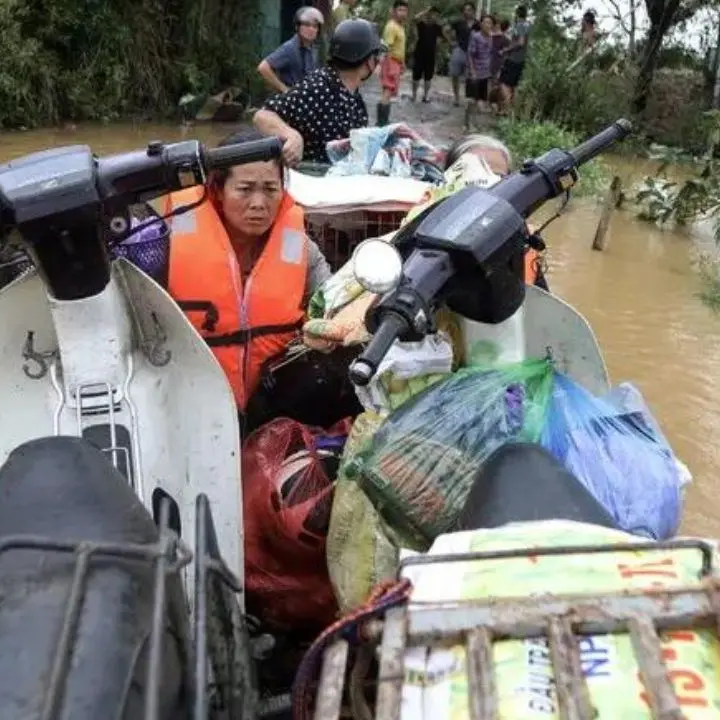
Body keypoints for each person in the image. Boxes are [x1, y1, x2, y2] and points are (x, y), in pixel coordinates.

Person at [163, 130, 332, 413]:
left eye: (270, 189)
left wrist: (324, 330)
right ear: (218, 191)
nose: (258, 204)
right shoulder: (167, 245)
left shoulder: (301, 250)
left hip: (268, 394)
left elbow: (332, 303)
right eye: (244, 189)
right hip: (191, 398)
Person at [253, 19, 383, 167]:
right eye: (376, 57)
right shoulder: (318, 88)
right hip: (307, 181)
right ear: (369, 62)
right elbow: (262, 116)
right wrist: (291, 135)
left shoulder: (354, 97)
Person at [443, 134, 549, 290]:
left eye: (499, 178)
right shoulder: (418, 235)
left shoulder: (526, 239)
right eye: (477, 176)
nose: (490, 186)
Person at [257, 7, 324, 93]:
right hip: (293, 101)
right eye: (307, 25)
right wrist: (284, 89)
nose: (311, 29)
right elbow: (263, 67)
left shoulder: (312, 49)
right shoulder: (290, 48)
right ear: (297, 27)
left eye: (315, 26)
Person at [379, 0, 409, 127]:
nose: (403, 13)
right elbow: (386, 47)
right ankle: (382, 122)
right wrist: (389, 66)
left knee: (389, 92)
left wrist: (402, 63)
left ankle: (383, 120)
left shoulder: (400, 27)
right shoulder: (391, 26)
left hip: (396, 62)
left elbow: (400, 47)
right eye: (400, 10)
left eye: (405, 10)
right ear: (394, 11)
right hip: (390, 61)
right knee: (387, 90)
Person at [498, 5, 531, 112]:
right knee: (512, 86)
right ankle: (510, 112)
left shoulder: (520, 25)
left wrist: (506, 50)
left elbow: (520, 43)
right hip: (521, 60)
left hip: (513, 59)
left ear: (517, 14)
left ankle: (508, 110)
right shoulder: (527, 25)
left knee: (503, 83)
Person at [466, 14, 494, 129]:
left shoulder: (491, 38)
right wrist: (472, 71)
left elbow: (491, 55)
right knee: (472, 100)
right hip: (475, 72)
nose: (487, 25)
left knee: (481, 101)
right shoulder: (476, 36)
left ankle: (474, 123)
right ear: (481, 24)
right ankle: (467, 123)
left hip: (485, 73)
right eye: (485, 22)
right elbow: (470, 55)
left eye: (490, 23)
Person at [411, 6, 445, 103]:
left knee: (428, 77)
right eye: (433, 14)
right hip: (419, 54)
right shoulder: (422, 25)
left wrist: (438, 56)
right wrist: (425, 11)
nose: (435, 17)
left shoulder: (438, 27)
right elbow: (414, 19)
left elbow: (442, 39)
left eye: (437, 15)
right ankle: (414, 95)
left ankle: (425, 96)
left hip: (431, 55)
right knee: (416, 76)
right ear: (429, 14)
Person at [448, 3, 478, 107]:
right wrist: (450, 41)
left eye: (469, 10)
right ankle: (456, 98)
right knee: (455, 75)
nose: (467, 12)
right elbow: (446, 30)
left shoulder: (478, 25)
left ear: (473, 11)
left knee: (470, 77)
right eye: (465, 10)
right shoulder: (459, 23)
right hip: (459, 50)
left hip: (472, 53)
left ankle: (469, 99)